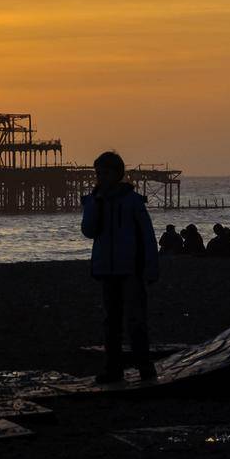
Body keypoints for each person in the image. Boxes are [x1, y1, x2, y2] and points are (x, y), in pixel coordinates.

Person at [81, 150, 160, 384]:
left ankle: (145, 367)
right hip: (107, 269)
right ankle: (113, 369)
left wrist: (151, 267)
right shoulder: (96, 200)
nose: (100, 178)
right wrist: (93, 204)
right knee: (111, 321)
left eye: (104, 173)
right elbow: (88, 231)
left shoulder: (133, 201)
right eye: (97, 173)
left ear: (117, 173)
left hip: (131, 269)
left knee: (136, 320)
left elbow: (147, 236)